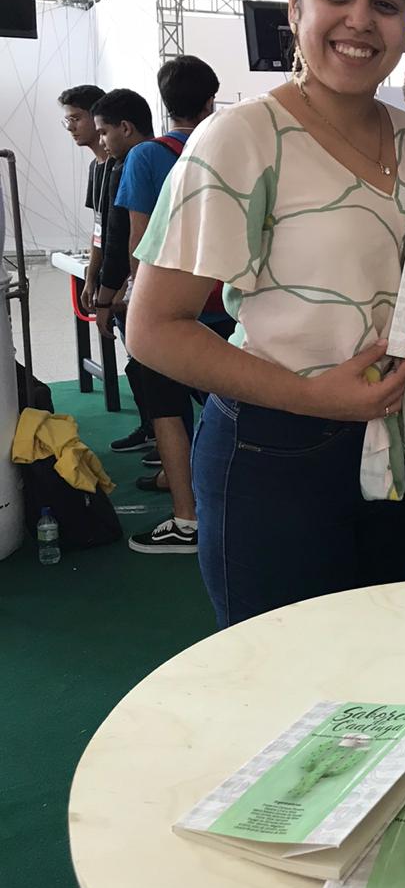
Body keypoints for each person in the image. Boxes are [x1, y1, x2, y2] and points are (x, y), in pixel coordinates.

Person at [127, 0, 405, 625]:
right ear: (295, 3)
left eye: (385, 2)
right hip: (271, 453)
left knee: (373, 664)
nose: (359, 20)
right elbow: (153, 329)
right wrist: (315, 398)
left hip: (398, 449)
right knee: (282, 677)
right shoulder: (241, 139)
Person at [114, 55, 229, 554]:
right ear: (211, 101)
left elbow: (141, 241)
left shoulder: (145, 157)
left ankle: (187, 518)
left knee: (166, 409)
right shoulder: (227, 147)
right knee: (232, 403)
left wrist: (131, 298)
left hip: (167, 312)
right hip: (226, 301)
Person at [88, 89, 156, 450]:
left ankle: (160, 439)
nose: (101, 139)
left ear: (125, 127)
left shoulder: (132, 163)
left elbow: (123, 236)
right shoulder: (168, 154)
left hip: (145, 285)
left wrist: (109, 295)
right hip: (172, 281)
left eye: (103, 131)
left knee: (147, 365)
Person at [58, 84, 109, 315]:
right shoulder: (95, 167)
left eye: (76, 119)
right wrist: (91, 278)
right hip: (108, 280)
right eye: (67, 120)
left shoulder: (124, 164)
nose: (71, 127)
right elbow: (99, 228)